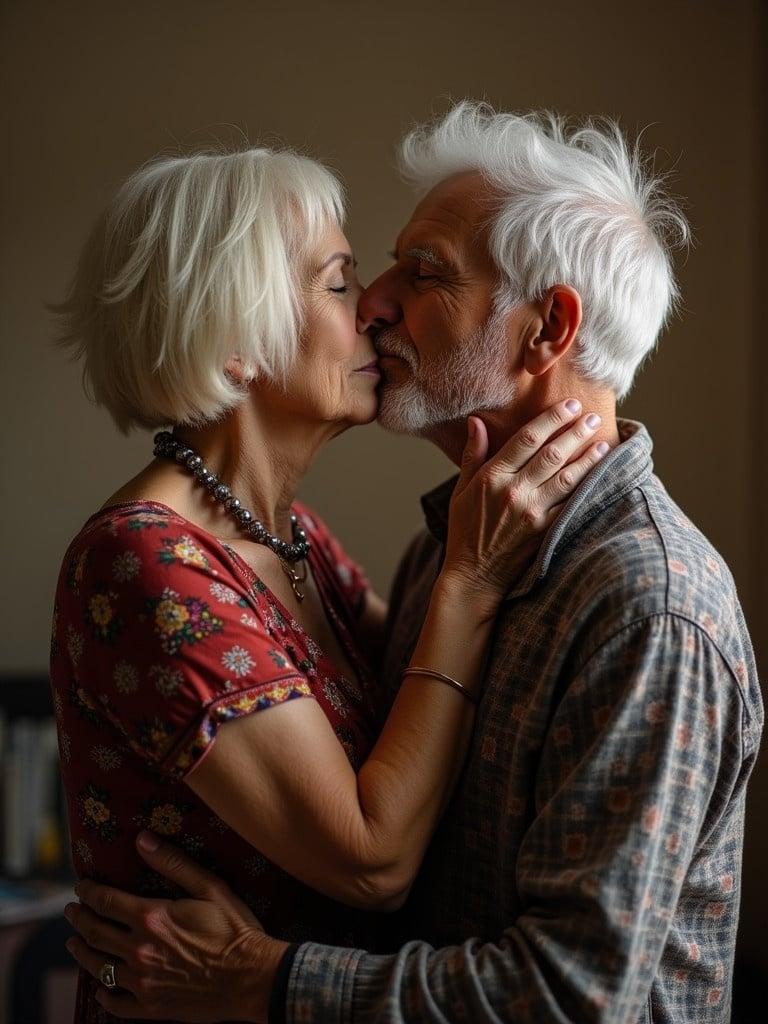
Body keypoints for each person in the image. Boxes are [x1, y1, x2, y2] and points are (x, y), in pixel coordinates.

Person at [65, 104, 763, 1024]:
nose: (378, 303)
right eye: (345, 282)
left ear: (549, 329)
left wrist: (264, 980)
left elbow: (573, 994)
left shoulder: (646, 607)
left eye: (420, 272)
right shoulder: (450, 549)